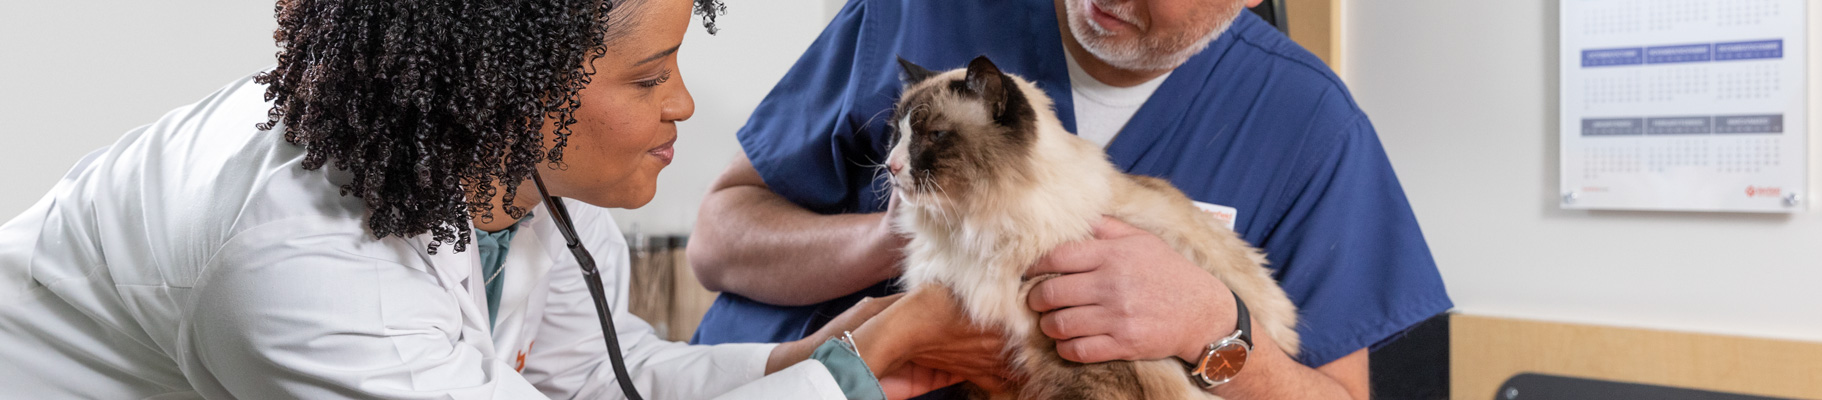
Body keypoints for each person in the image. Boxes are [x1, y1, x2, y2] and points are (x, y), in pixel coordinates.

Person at [0, 0, 1004, 399]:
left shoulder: (525, 187)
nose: (688, 105)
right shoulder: (295, 262)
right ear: (510, 93)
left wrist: (814, 350)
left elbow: (607, 377)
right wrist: (868, 360)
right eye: (649, 79)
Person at [688, 0, 1453, 398]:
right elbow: (715, 242)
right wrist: (912, 243)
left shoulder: (1306, 122)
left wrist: (1213, 328)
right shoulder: (918, 12)